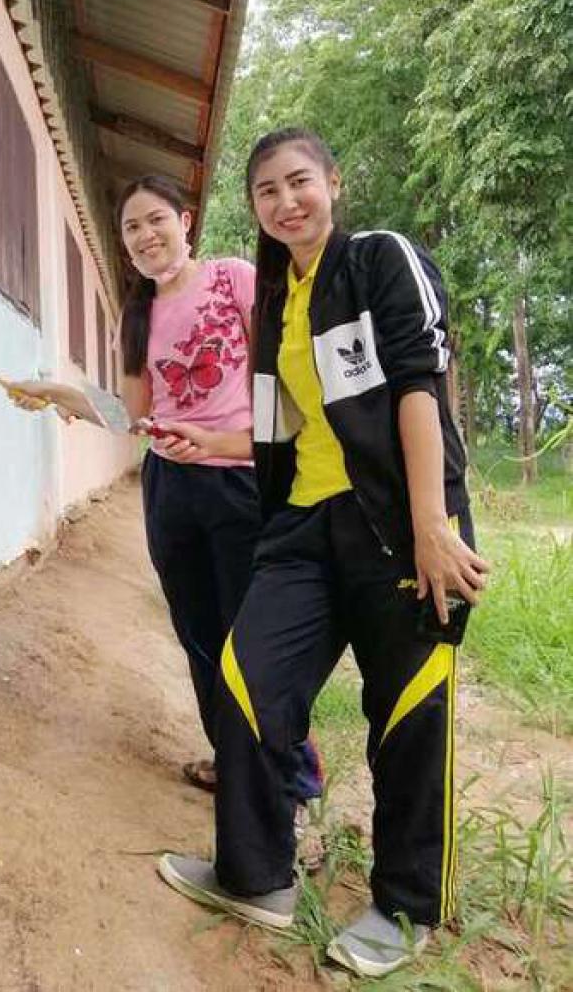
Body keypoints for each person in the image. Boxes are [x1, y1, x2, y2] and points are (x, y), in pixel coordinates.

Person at [153, 129, 489, 979]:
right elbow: (283, 427)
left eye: (299, 181)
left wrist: (432, 523)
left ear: (334, 181)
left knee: (407, 712)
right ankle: (255, 877)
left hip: (399, 525)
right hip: (303, 530)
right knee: (247, 684)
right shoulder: (276, 302)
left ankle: (408, 907)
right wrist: (207, 442)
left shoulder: (379, 260)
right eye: (266, 191)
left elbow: (418, 385)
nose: (285, 201)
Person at [116, 175, 322, 802]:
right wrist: (66, 399)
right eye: (131, 228)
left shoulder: (232, 278)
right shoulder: (136, 315)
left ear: (184, 221)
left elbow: (278, 379)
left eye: (155, 219)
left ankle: (290, 776)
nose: (146, 236)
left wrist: (227, 442)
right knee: (198, 631)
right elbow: (136, 413)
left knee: (252, 634)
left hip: (240, 479)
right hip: (170, 487)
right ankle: (233, 760)